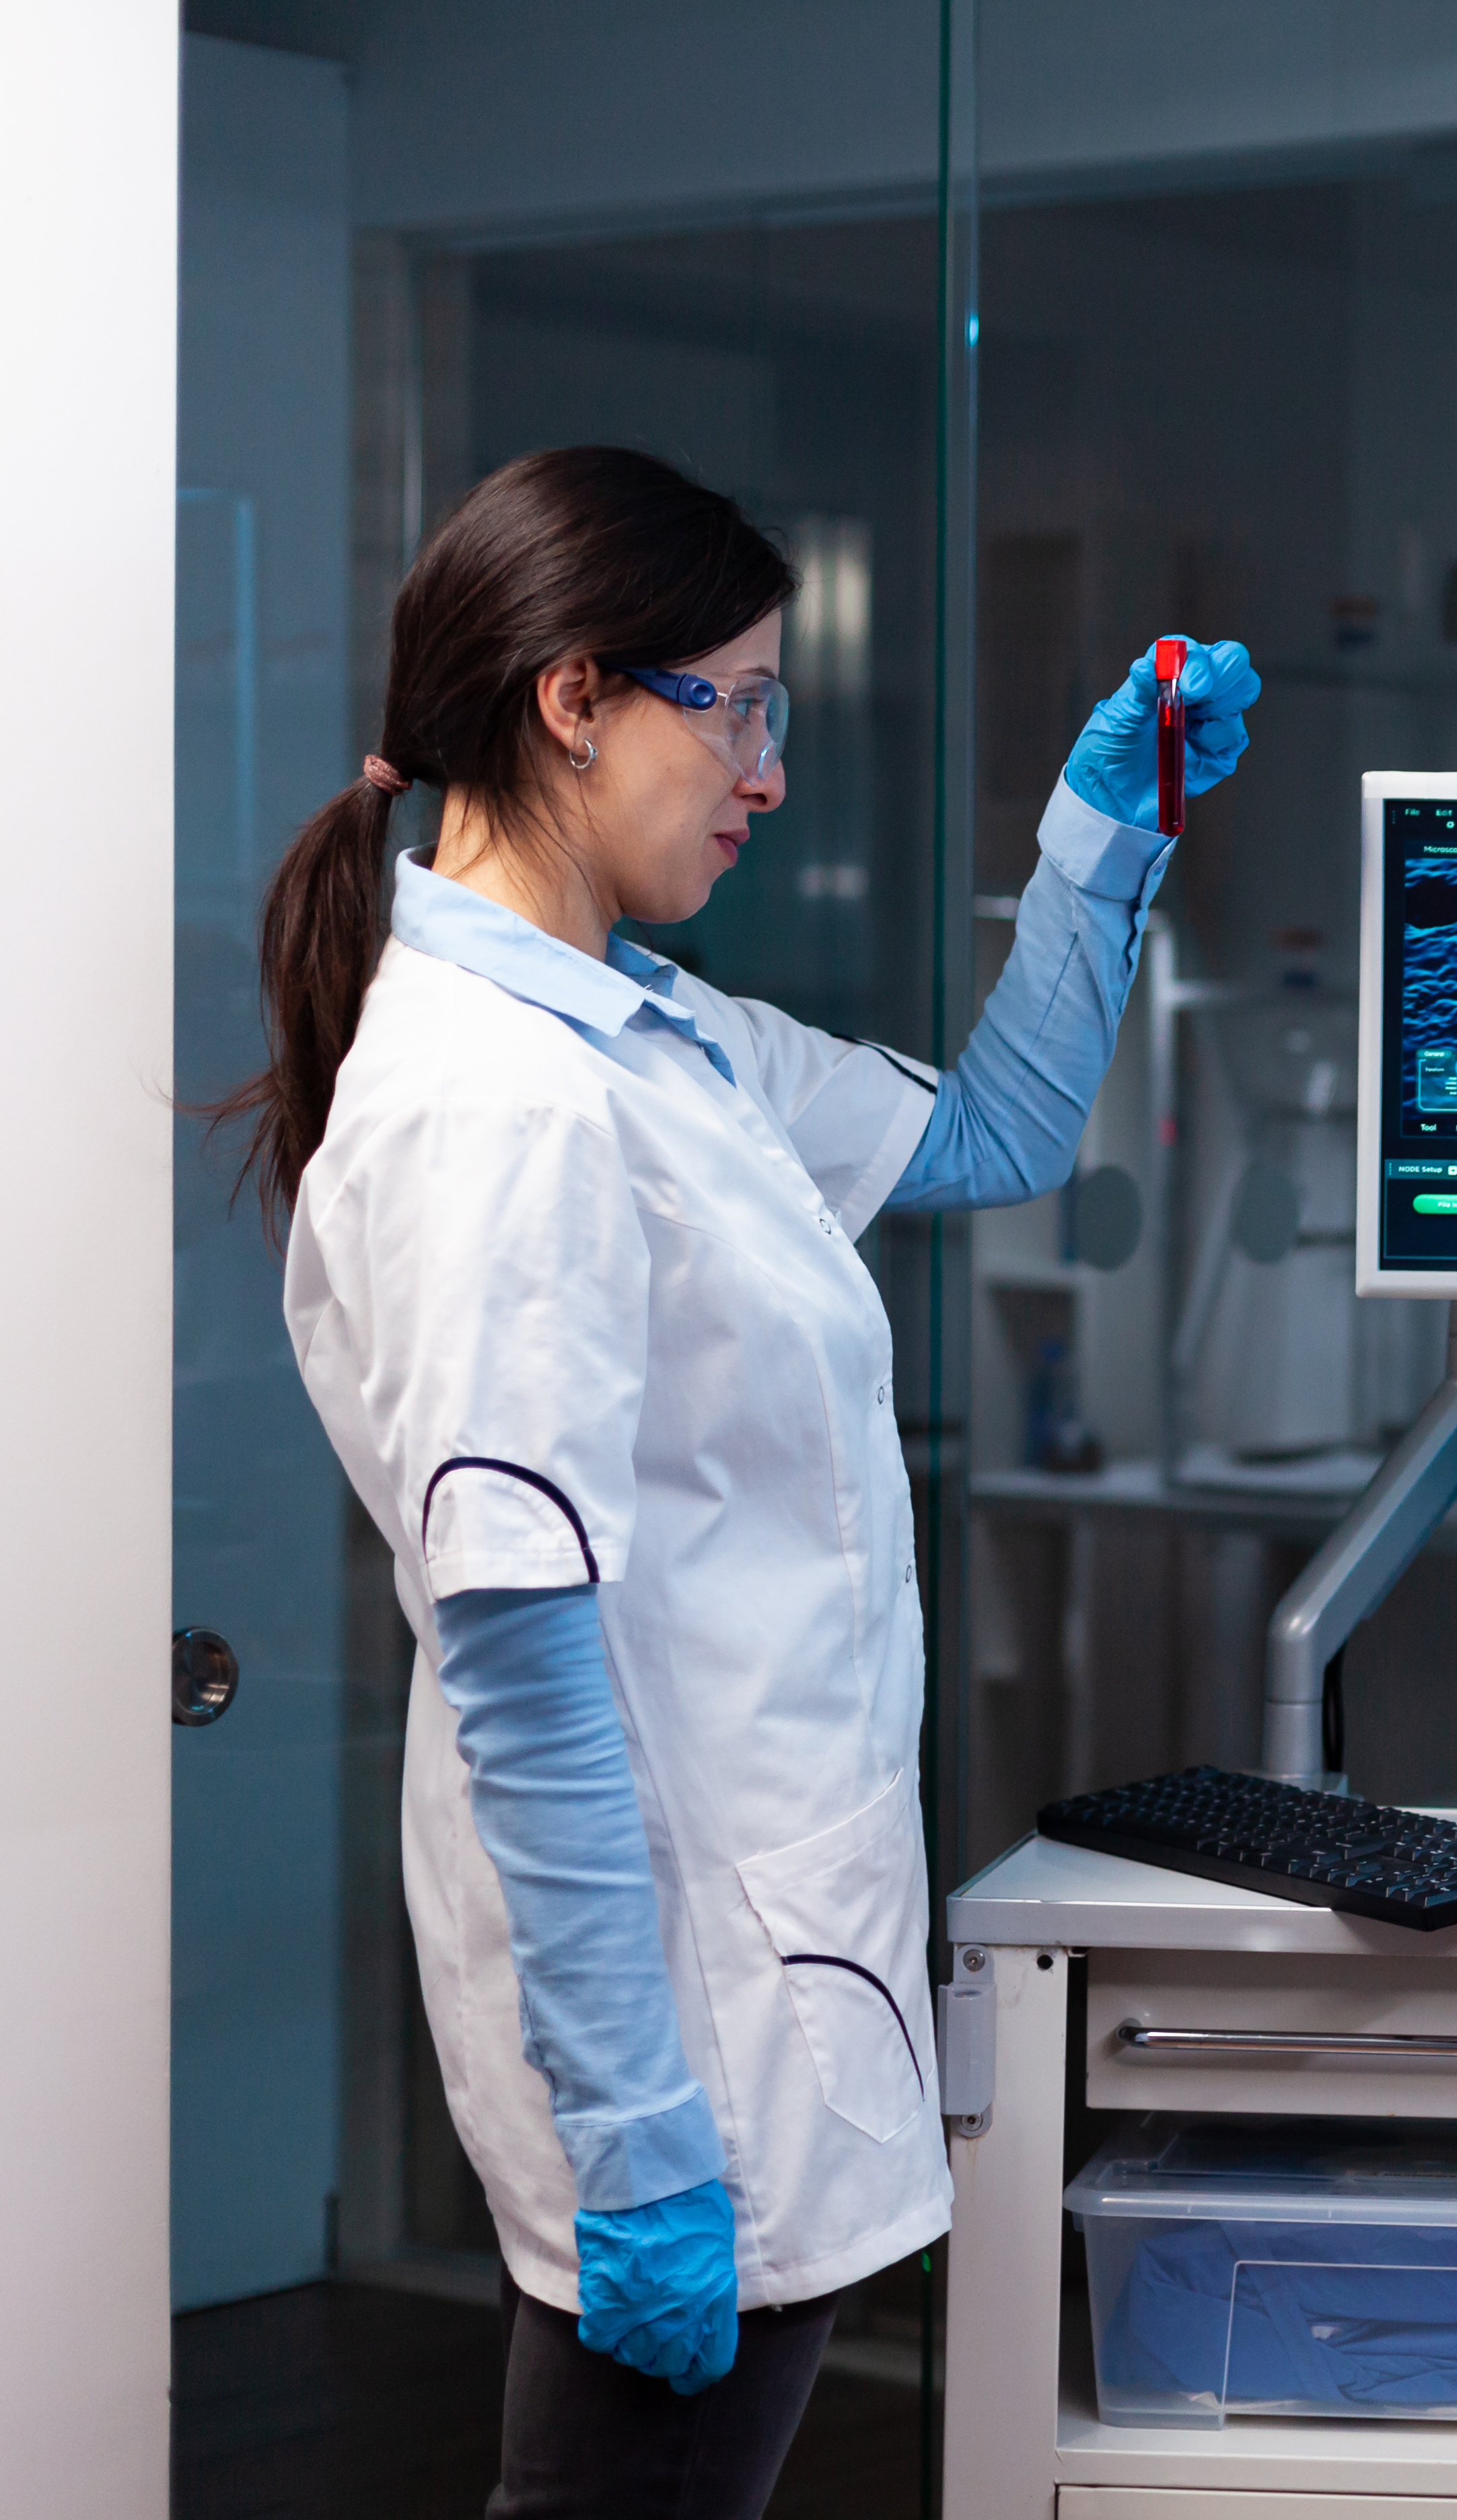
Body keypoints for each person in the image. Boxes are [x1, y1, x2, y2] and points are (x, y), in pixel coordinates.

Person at [228, 446, 1260, 2518]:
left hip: (750, 1977)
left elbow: (995, 1137)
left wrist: (1101, 837)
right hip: (686, 2033)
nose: (767, 773)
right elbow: (523, 1657)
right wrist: (632, 2131)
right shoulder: (502, 1106)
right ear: (572, 697)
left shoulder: (642, 1031)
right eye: (742, 706)